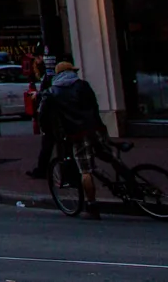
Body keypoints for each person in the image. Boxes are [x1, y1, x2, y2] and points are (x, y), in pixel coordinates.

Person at [45, 60, 104, 218]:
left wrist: (49, 131)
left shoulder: (52, 91)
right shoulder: (83, 85)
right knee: (107, 155)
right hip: (94, 129)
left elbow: (43, 114)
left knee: (85, 170)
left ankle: (92, 204)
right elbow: (94, 106)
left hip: (76, 133)